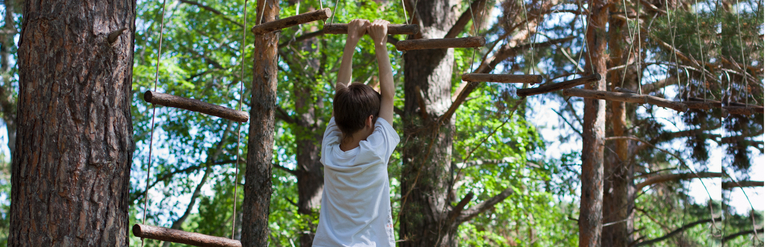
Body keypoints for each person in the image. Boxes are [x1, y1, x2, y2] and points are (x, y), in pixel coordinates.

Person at [312, 19, 399, 247]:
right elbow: (388, 95)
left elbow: (342, 91)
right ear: (371, 121)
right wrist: (380, 43)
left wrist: (352, 39)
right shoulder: (376, 150)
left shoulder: (330, 150)